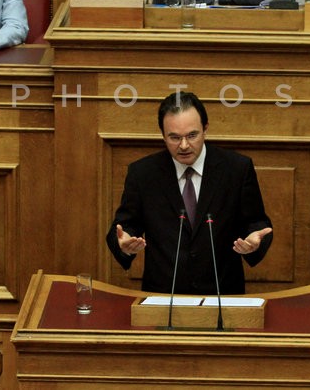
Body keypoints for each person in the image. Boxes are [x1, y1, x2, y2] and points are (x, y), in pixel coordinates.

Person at [106, 91, 273, 295]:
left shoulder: (236, 169)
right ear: (163, 135)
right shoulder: (143, 173)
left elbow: (256, 223)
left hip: (222, 294)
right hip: (163, 296)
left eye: (192, 135)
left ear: (205, 129)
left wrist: (255, 242)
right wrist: (123, 244)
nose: (184, 146)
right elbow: (125, 226)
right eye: (174, 137)